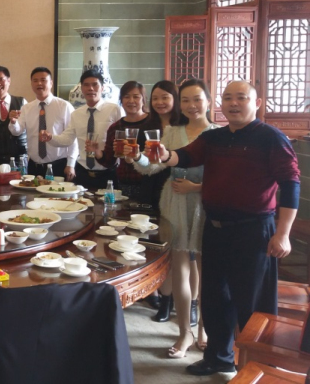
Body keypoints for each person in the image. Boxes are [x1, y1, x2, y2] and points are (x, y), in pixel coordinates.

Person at [153, 81, 299, 376]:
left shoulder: (271, 137)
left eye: (241, 98)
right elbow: (186, 156)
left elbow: (291, 183)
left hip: (254, 231)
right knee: (215, 296)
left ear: (257, 103)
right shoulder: (214, 137)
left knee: (253, 303)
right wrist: (164, 155)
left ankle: (258, 368)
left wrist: (283, 233)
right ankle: (218, 358)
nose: (233, 103)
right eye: (228, 98)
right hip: (216, 228)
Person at [132, 79, 218, 358]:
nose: (192, 106)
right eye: (186, 100)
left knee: (206, 273)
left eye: (197, 99)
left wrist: (197, 187)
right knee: (179, 268)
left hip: (205, 204)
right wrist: (137, 156)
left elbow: (225, 178)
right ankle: (184, 333)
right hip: (174, 202)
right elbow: (151, 168)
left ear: (208, 101)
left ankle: (204, 329)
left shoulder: (218, 133)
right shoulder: (172, 131)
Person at [47, 70, 124, 189]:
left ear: (102, 88)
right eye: (86, 85)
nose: (90, 88)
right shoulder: (76, 114)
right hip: (83, 173)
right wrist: (50, 137)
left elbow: (123, 137)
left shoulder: (114, 110)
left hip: (108, 173)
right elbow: (67, 139)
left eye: (95, 84)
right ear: (82, 89)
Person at [88, 81, 152, 202]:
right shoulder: (115, 127)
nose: (131, 101)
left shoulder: (152, 123)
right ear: (121, 100)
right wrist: (96, 151)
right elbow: (109, 162)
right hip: (123, 184)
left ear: (144, 100)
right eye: (126, 97)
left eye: (136, 97)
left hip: (150, 183)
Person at [9, 67, 76, 178]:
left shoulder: (64, 106)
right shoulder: (27, 108)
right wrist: (13, 122)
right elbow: (16, 131)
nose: (39, 83)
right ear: (31, 84)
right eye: (35, 80)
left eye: (43, 80)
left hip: (58, 165)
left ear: (51, 83)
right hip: (34, 166)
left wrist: (71, 164)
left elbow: (73, 137)